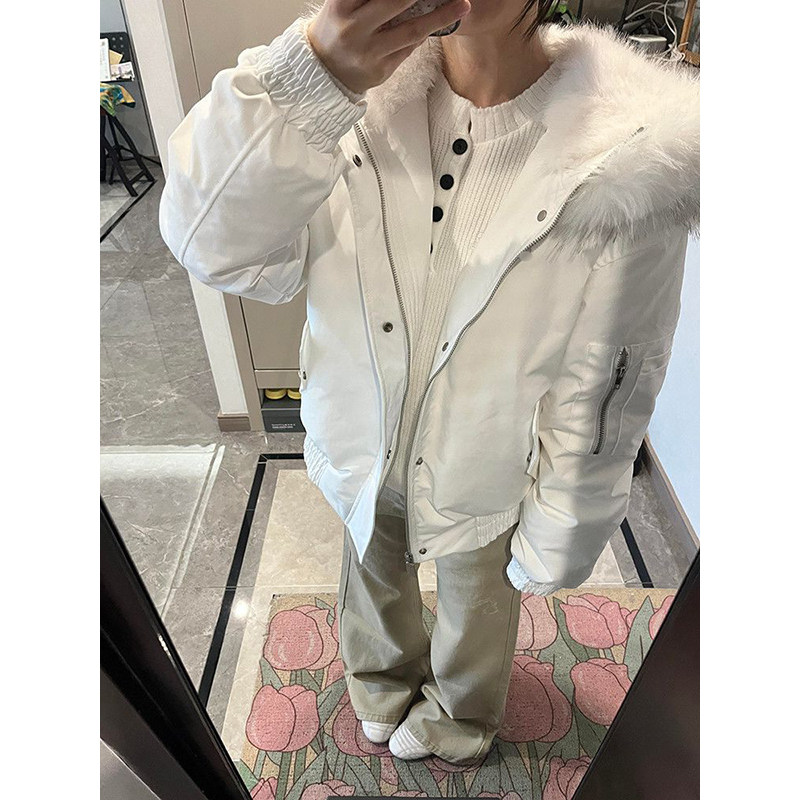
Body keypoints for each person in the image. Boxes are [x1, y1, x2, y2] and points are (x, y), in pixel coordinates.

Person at [159, 0, 699, 766]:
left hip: (489, 468)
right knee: (370, 577)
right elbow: (213, 246)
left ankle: (460, 719)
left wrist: (565, 519)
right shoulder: (343, 105)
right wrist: (308, 81)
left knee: (480, 607)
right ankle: (379, 686)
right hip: (360, 439)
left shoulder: (629, 151)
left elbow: (612, 373)